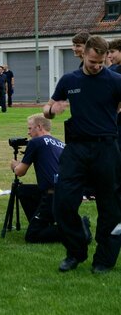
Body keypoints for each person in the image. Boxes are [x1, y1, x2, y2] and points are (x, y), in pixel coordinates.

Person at [43, 35, 121, 274]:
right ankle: (76, 250)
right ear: (84, 54)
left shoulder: (116, 80)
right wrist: (52, 110)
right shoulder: (69, 80)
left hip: (106, 148)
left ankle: (104, 260)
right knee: (63, 203)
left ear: (106, 57)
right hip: (76, 149)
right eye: (92, 62)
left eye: (100, 62)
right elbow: (48, 108)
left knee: (110, 207)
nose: (96, 66)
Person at [9, 114, 87, 243]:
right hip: (67, 193)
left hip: (52, 194)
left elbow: (20, 172)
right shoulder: (62, 144)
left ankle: (77, 229)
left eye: (30, 128)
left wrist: (14, 165)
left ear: (39, 127)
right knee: (23, 190)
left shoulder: (36, 142)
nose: (28, 133)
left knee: (32, 236)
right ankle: (40, 222)